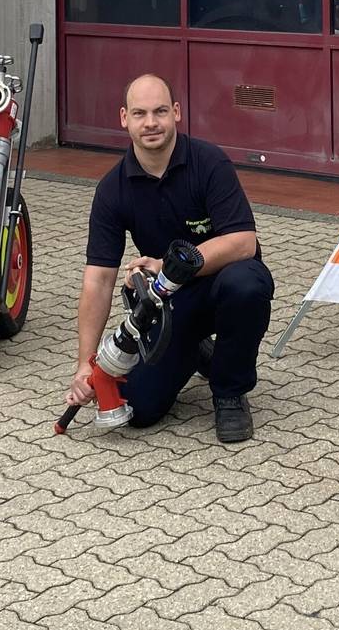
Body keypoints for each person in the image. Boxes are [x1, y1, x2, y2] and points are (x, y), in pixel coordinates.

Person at [66, 73, 275, 442]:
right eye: (140, 113)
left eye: (160, 111)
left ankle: (229, 392)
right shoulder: (112, 190)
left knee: (248, 284)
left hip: (223, 283)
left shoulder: (209, 162)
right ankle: (199, 352)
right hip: (169, 305)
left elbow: (243, 243)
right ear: (123, 118)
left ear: (176, 112)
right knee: (140, 409)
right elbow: (98, 280)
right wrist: (86, 364)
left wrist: (169, 265)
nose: (151, 123)